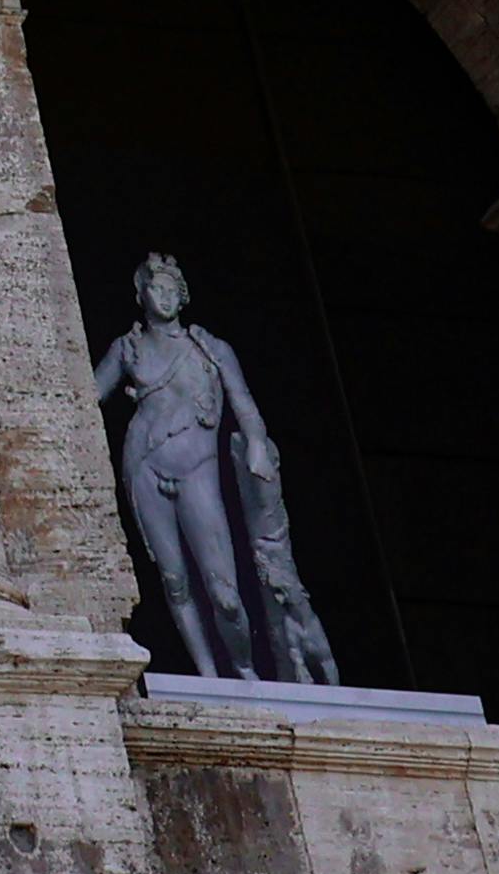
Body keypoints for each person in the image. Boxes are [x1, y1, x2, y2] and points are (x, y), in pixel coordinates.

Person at [94, 251, 337, 685]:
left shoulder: (208, 348)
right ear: (141, 294)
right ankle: (206, 674)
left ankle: (244, 670)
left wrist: (257, 447)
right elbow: (87, 397)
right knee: (174, 581)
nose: (164, 297)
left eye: (172, 289)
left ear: (182, 297)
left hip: (198, 467)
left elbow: (243, 402)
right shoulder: (127, 348)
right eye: (156, 288)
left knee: (224, 592)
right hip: (144, 464)